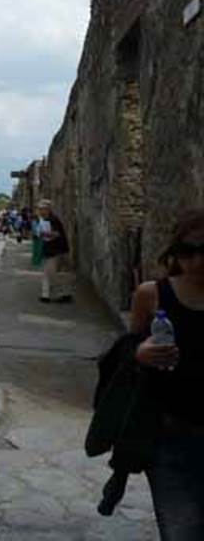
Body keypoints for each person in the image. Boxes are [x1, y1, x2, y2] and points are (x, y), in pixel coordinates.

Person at [129, 208, 204, 540]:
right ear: (175, 252)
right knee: (182, 531)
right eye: (189, 251)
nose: (199, 260)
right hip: (171, 435)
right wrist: (140, 353)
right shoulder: (152, 294)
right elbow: (126, 357)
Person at [37, 199, 71, 303]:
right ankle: (46, 295)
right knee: (48, 273)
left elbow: (56, 234)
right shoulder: (45, 220)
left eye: (42, 209)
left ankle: (63, 294)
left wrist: (44, 234)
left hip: (56, 250)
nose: (41, 212)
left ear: (48, 210)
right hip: (50, 250)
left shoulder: (53, 219)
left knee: (52, 274)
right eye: (40, 209)